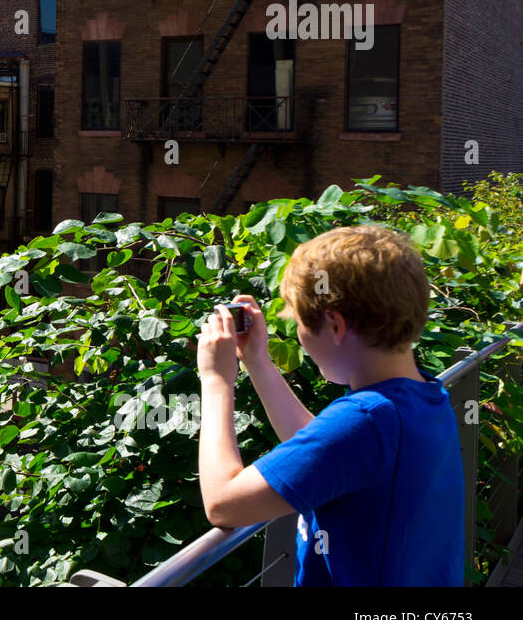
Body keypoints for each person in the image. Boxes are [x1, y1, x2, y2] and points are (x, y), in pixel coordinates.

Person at [195, 225, 465, 586]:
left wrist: (215, 380)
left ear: (335, 325)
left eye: (301, 325)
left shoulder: (365, 421)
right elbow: (326, 451)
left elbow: (223, 504)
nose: (300, 337)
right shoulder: (422, 400)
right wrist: (257, 362)